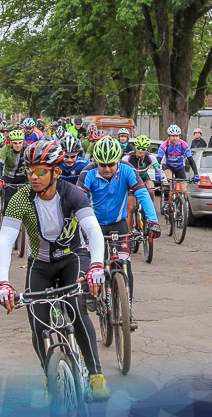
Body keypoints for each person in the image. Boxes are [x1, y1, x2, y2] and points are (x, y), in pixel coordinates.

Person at [0, 140, 111, 401]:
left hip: (73, 258)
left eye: (40, 170)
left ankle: (95, 374)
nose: (33, 176)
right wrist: (3, 283)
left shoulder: (72, 194)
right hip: (41, 263)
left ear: (56, 172)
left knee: (77, 311)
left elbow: (93, 231)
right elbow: (5, 241)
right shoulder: (21, 199)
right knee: (37, 323)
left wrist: (96, 265)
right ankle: (50, 376)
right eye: (29, 170)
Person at [76, 136, 160, 329]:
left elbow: (142, 195)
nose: (106, 169)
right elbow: (78, 201)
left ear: (118, 161)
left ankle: (127, 311)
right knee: (91, 261)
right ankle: (91, 291)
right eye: (102, 165)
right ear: (96, 162)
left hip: (118, 224)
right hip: (94, 225)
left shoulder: (127, 170)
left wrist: (153, 221)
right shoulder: (87, 173)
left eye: (111, 164)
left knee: (125, 266)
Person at [122, 135, 166, 217]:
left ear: (146, 150)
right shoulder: (127, 157)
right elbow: (120, 170)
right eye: (138, 148)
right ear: (135, 147)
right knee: (130, 208)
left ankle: (149, 209)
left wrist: (165, 180)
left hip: (144, 177)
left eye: (143, 149)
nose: (140, 151)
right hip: (132, 179)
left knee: (151, 189)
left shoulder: (150, 157)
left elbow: (159, 169)